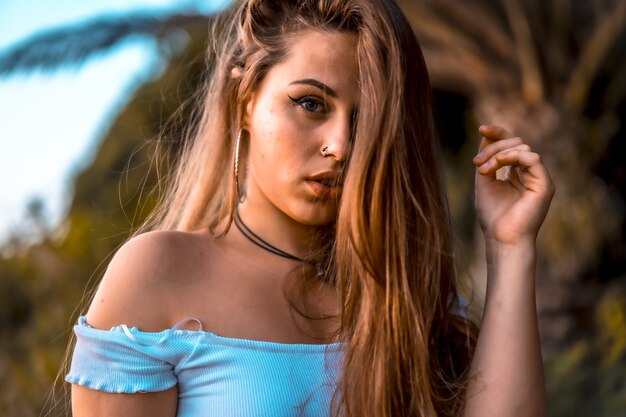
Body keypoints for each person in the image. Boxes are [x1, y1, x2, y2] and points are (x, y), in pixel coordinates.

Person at [65, 0, 555, 416]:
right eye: (312, 104)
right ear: (245, 102)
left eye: (365, 122)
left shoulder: (409, 294)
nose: (341, 145)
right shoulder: (158, 276)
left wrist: (510, 247)